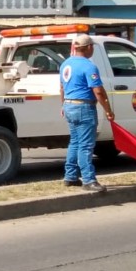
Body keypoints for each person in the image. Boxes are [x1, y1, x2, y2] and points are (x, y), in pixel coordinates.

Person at [59, 34, 114, 193]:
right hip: (84, 108)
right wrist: (108, 110)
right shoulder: (89, 66)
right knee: (85, 145)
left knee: (75, 142)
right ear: (88, 47)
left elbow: (62, 88)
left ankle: (70, 176)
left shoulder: (65, 64)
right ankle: (89, 180)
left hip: (69, 105)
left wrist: (63, 104)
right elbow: (98, 91)